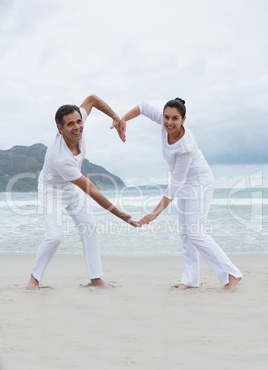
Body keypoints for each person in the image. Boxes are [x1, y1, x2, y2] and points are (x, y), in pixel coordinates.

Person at [120, 98, 243, 292]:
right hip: (186, 184)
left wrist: (155, 212)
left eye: (175, 119)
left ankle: (231, 273)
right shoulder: (164, 123)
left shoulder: (185, 146)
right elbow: (143, 107)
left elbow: (176, 182)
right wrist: (123, 119)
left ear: (183, 119)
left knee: (195, 233)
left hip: (199, 184)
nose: (169, 122)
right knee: (186, 235)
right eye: (166, 117)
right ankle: (191, 279)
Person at [27, 94, 139, 290]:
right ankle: (34, 280)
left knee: (89, 228)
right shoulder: (61, 158)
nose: (77, 127)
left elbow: (92, 99)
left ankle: (96, 279)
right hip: (51, 191)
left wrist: (115, 116)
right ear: (60, 129)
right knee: (54, 237)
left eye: (79, 121)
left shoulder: (78, 122)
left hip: (70, 188)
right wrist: (120, 214)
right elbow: (92, 190)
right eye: (70, 124)